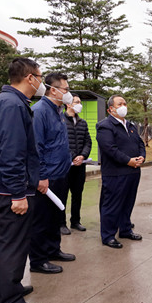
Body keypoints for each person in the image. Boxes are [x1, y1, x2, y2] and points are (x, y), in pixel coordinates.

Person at [0, 57, 44, 303]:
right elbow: (12, 152)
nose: (41, 82)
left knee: (16, 242)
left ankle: (12, 288)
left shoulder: (12, 103)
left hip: (10, 186)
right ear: (30, 78)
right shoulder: (11, 105)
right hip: (10, 189)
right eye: (39, 76)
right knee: (12, 245)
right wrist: (18, 193)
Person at [30, 72, 76, 274]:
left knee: (55, 216)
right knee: (41, 219)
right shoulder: (39, 111)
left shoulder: (58, 111)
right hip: (46, 176)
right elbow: (36, 147)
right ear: (53, 89)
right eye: (65, 89)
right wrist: (41, 176)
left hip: (60, 173)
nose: (67, 93)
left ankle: (53, 249)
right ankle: (39, 260)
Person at [96, 95, 145, 249]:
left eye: (125, 103)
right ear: (111, 109)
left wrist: (142, 156)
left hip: (133, 172)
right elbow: (110, 149)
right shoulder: (105, 126)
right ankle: (108, 235)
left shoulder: (130, 125)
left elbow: (140, 143)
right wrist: (128, 161)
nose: (124, 106)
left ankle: (125, 229)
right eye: (120, 104)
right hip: (116, 173)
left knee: (127, 203)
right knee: (111, 205)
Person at [60, 93, 92, 234]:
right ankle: (61, 223)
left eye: (80, 102)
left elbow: (88, 142)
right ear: (68, 104)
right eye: (77, 102)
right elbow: (60, 143)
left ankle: (75, 221)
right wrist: (73, 156)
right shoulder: (60, 120)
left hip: (80, 166)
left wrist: (83, 155)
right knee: (62, 195)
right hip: (65, 166)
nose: (80, 104)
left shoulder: (82, 122)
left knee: (77, 194)